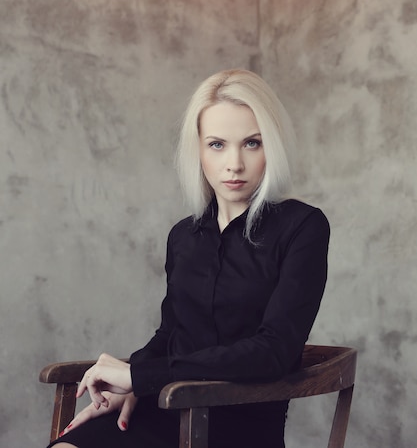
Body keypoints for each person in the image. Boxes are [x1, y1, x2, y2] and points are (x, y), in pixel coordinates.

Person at [48, 68, 330, 448]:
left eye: (252, 143)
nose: (234, 164)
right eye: (217, 145)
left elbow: (274, 350)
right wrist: (128, 381)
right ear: (197, 149)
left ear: (272, 146)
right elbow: (171, 334)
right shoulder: (183, 235)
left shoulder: (303, 227)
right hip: (162, 408)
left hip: (240, 421)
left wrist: (144, 376)